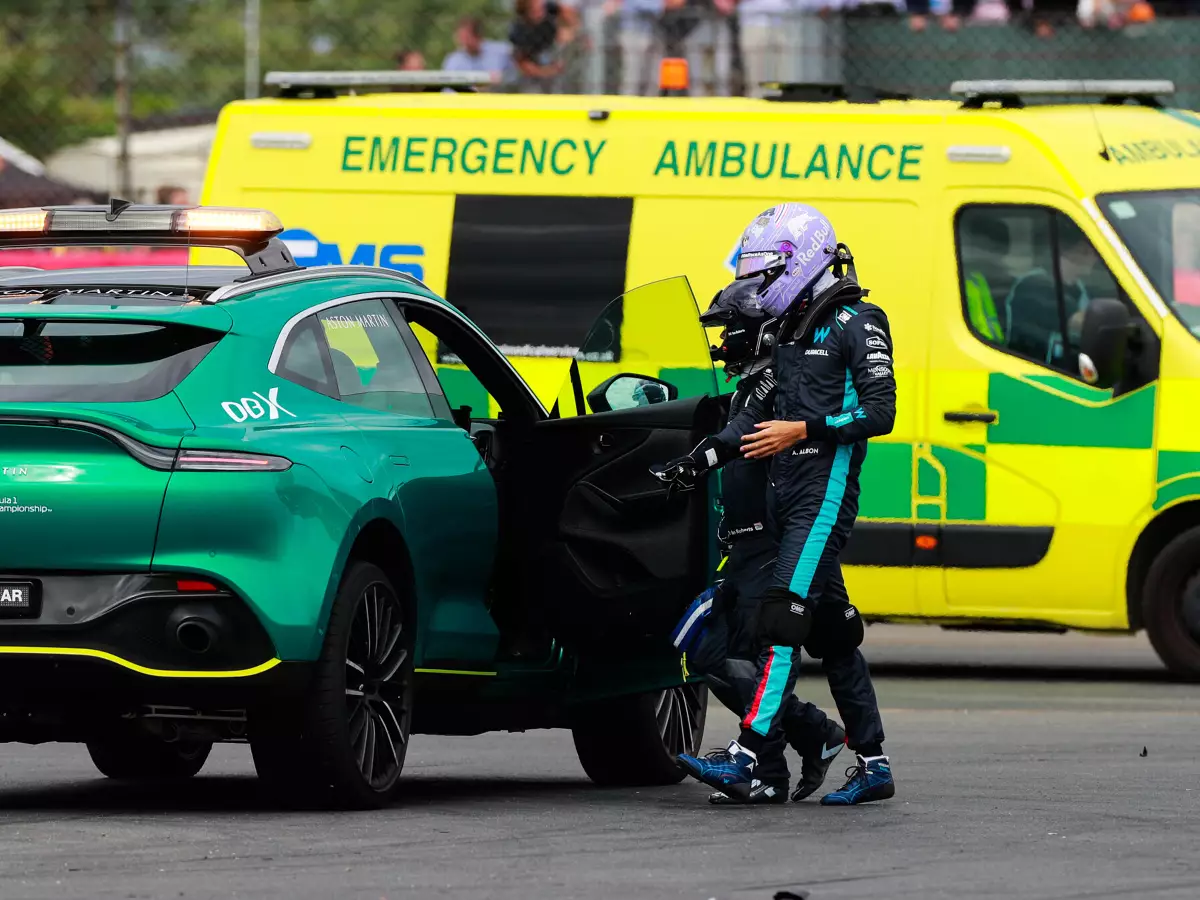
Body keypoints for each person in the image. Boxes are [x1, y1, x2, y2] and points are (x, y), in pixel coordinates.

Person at [674, 202, 896, 806]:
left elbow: (881, 414)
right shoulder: (791, 332)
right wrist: (701, 459)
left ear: (802, 264)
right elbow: (752, 417)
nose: (760, 290)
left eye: (767, 275)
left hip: (822, 495)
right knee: (835, 633)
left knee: (781, 621)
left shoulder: (860, 319)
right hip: (785, 498)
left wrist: (803, 430)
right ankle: (873, 764)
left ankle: (750, 757)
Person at [655, 276, 847, 804]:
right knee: (706, 647)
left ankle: (769, 770)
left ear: (761, 330)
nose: (722, 341)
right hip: (740, 545)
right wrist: (690, 464)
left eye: (731, 328)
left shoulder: (779, 384)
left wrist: (703, 456)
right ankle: (812, 737)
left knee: (753, 652)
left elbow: (741, 436)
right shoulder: (751, 384)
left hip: (770, 545)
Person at [509, 0, 579, 92]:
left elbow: (569, 15)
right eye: (535, 7)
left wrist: (570, 30)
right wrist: (548, 72)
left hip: (558, 61)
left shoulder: (549, 8)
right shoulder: (518, 31)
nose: (540, 6)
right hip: (533, 75)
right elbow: (523, 65)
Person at [442, 16, 514, 85]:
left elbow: (516, 77)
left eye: (467, 37)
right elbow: (448, 90)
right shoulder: (453, 61)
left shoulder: (502, 52)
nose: (463, 42)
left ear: (478, 35)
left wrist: (502, 79)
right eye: (460, 37)